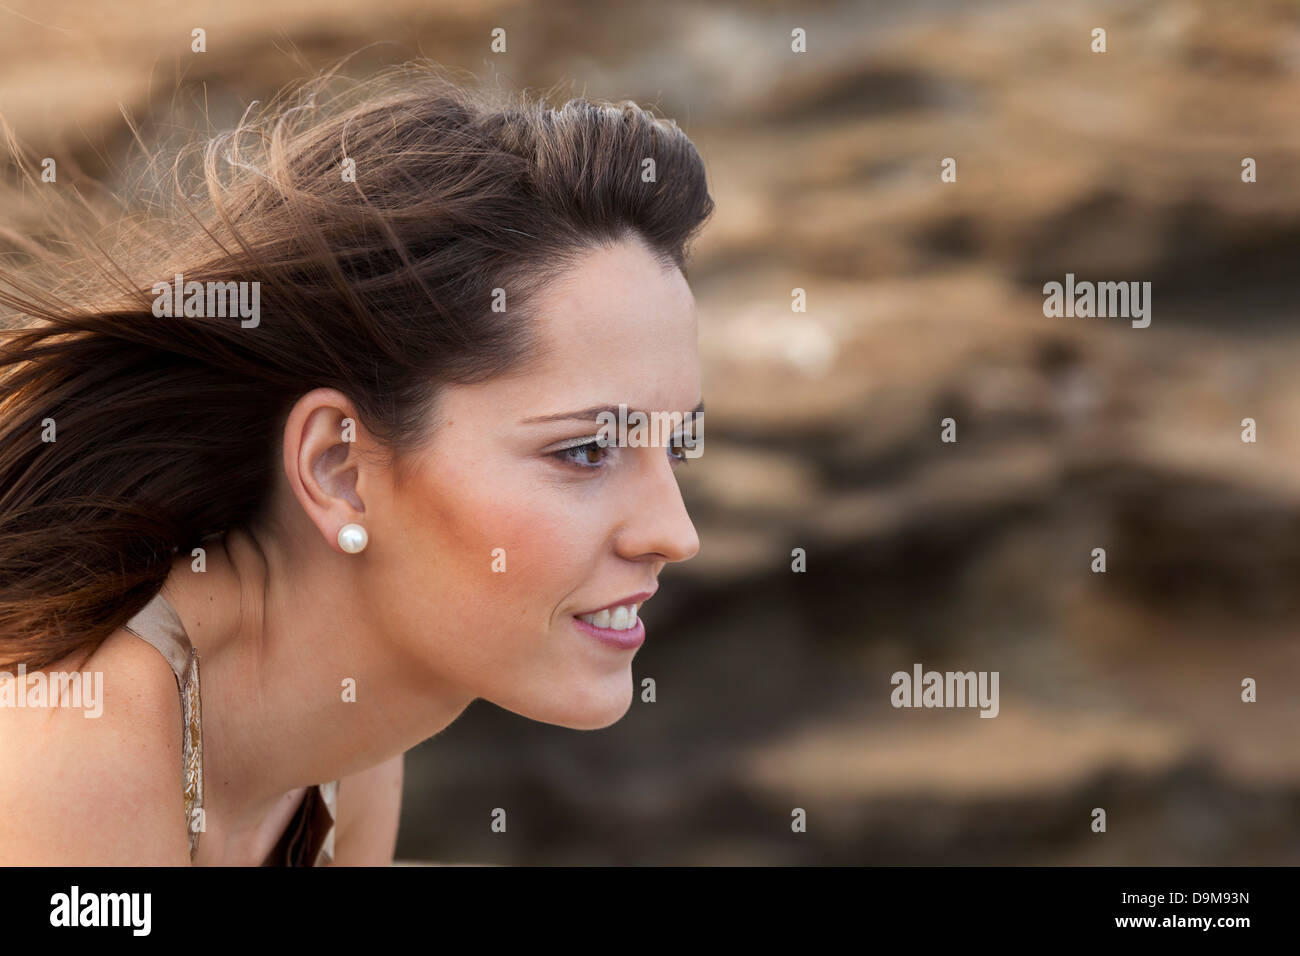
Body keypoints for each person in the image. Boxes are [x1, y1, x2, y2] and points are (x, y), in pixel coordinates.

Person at [0, 63, 712, 865]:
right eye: (585, 450)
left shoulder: (352, 734)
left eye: (676, 443)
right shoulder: (69, 750)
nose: (674, 533)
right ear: (339, 468)